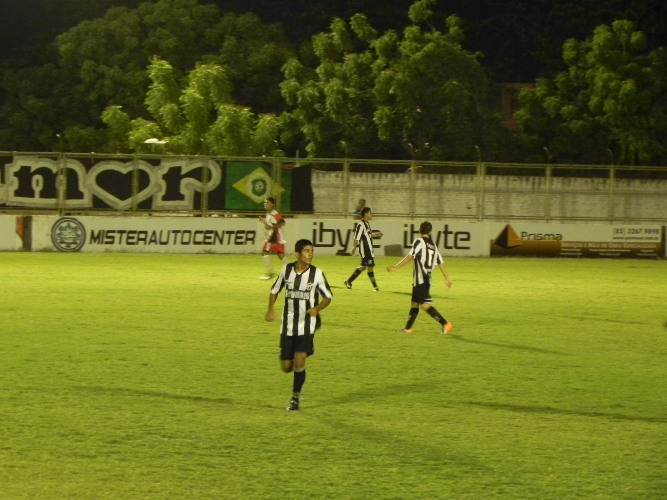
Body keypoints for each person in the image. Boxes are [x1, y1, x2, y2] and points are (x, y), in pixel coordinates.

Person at [265, 239, 333, 411]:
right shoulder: (286, 270)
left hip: (307, 325)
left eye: (312, 251)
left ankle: (295, 398)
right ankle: (293, 360)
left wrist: (317, 308)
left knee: (300, 358)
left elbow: (328, 297)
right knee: (286, 367)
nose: (310, 254)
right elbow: (274, 291)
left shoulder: (317, 273)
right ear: (297, 253)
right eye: (306, 251)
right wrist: (270, 309)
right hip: (288, 325)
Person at [387, 220, 453, 335]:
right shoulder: (433, 245)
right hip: (425, 279)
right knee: (414, 303)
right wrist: (446, 277)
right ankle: (408, 328)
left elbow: (410, 256)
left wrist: (396, 267)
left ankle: (445, 323)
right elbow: (440, 262)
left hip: (421, 279)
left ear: (420, 230)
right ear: (430, 231)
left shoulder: (419, 241)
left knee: (424, 305)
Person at [344, 206, 382, 291]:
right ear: (365, 214)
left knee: (363, 267)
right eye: (370, 213)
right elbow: (356, 237)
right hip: (365, 250)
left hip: (369, 250)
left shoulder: (367, 224)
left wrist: (376, 234)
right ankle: (375, 287)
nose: (371, 214)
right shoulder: (360, 224)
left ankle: (348, 281)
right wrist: (354, 248)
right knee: (370, 266)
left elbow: (368, 235)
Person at [258, 197, 286, 280]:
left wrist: (271, 226)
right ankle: (292, 272)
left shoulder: (274, 213)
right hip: (274, 236)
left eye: (267, 203)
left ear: (272, 204)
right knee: (280, 254)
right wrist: (264, 222)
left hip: (275, 236)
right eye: (265, 203)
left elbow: (282, 223)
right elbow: (269, 226)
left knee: (264, 252)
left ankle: (270, 273)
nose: (265, 204)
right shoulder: (268, 214)